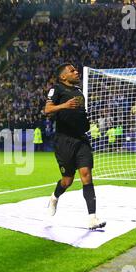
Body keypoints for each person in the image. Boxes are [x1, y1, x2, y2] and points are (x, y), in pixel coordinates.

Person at [44, 63, 106, 230]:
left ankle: (92, 218)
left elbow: (79, 114)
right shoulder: (56, 89)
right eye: (72, 71)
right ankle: (54, 197)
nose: (76, 71)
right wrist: (64, 106)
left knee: (86, 175)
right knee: (67, 181)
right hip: (64, 141)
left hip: (81, 139)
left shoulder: (79, 92)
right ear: (63, 76)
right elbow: (47, 110)